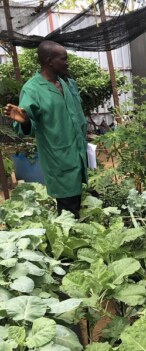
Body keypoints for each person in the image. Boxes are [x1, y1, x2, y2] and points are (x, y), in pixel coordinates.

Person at [3, 41, 87, 218]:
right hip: (59, 158)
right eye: (63, 59)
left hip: (78, 154)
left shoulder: (67, 84)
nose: (67, 63)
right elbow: (26, 125)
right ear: (49, 61)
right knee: (68, 211)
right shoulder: (32, 89)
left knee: (76, 203)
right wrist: (25, 120)